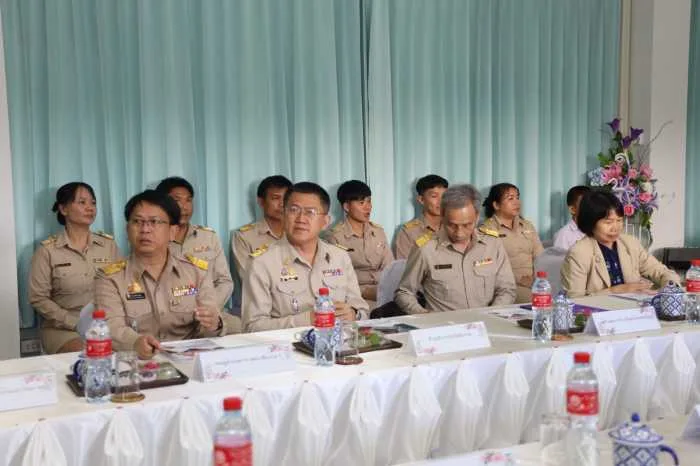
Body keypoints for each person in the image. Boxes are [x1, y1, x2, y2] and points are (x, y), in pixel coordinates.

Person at [95, 190, 229, 359]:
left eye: (154, 222)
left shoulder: (196, 272)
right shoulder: (110, 278)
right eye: (137, 221)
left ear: (173, 231)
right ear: (127, 229)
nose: (145, 229)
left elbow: (209, 327)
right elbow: (112, 328)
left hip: (190, 359)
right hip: (137, 360)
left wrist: (215, 324)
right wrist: (135, 342)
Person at [243, 182, 369, 332]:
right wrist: (306, 320)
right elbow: (252, 327)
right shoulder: (261, 263)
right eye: (293, 210)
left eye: (310, 212)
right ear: (284, 215)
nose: (301, 219)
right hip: (287, 345)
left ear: (325, 222)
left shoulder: (340, 257)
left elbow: (362, 310)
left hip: (338, 341)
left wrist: (354, 314)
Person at [395, 184, 516, 314]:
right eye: (452, 225)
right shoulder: (426, 249)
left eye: (467, 225)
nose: (459, 233)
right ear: (442, 215)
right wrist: (424, 316)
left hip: (488, 321)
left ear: (476, 216)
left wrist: (492, 314)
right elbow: (404, 293)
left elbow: (507, 289)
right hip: (444, 324)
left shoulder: (493, 244)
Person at [29, 182, 120, 354]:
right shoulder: (47, 251)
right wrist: (73, 322)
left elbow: (122, 285)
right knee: (89, 353)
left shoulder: (108, 245)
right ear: (63, 209)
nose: (90, 208)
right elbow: (38, 298)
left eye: (93, 203)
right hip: (64, 329)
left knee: (127, 351)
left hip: (105, 322)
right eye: (82, 202)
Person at [561, 189, 679, 298]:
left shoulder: (630, 243)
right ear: (591, 222)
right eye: (608, 222)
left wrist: (668, 288)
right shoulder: (579, 253)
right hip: (600, 312)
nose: (616, 228)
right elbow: (574, 301)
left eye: (619, 220)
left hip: (635, 308)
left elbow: (662, 272)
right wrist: (615, 291)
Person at [156, 177, 234, 312]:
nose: (184, 206)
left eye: (188, 200)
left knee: (237, 323)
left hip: (209, 312)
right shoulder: (153, 239)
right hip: (170, 315)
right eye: (177, 200)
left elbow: (224, 281)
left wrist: (207, 310)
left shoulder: (208, 237)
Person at [325, 180, 393, 308]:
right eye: (361, 203)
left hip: (385, 293)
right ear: (346, 207)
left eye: (369, 201)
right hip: (356, 298)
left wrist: (388, 289)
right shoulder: (334, 237)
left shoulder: (378, 231)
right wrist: (366, 292)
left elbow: (390, 267)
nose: (368, 207)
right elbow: (337, 279)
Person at [481, 183, 544, 303]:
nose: (517, 202)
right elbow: (489, 267)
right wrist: (519, 280)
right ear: (496, 205)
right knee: (541, 302)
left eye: (517, 197)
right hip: (507, 285)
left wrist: (537, 279)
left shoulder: (527, 226)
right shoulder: (487, 229)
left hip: (534, 282)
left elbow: (540, 256)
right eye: (510, 198)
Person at [231, 175, 293, 281]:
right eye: (275, 198)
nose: (282, 204)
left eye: (286, 198)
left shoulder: (299, 232)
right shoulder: (244, 237)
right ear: (261, 202)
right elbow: (249, 279)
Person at [394, 175, 449, 259]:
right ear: (421, 199)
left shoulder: (454, 227)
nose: (441, 201)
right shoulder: (408, 232)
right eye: (434, 196)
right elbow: (403, 265)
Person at [553, 185, 590, 250]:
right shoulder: (563, 235)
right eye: (585, 205)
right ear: (572, 210)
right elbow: (559, 257)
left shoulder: (597, 230)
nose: (591, 208)